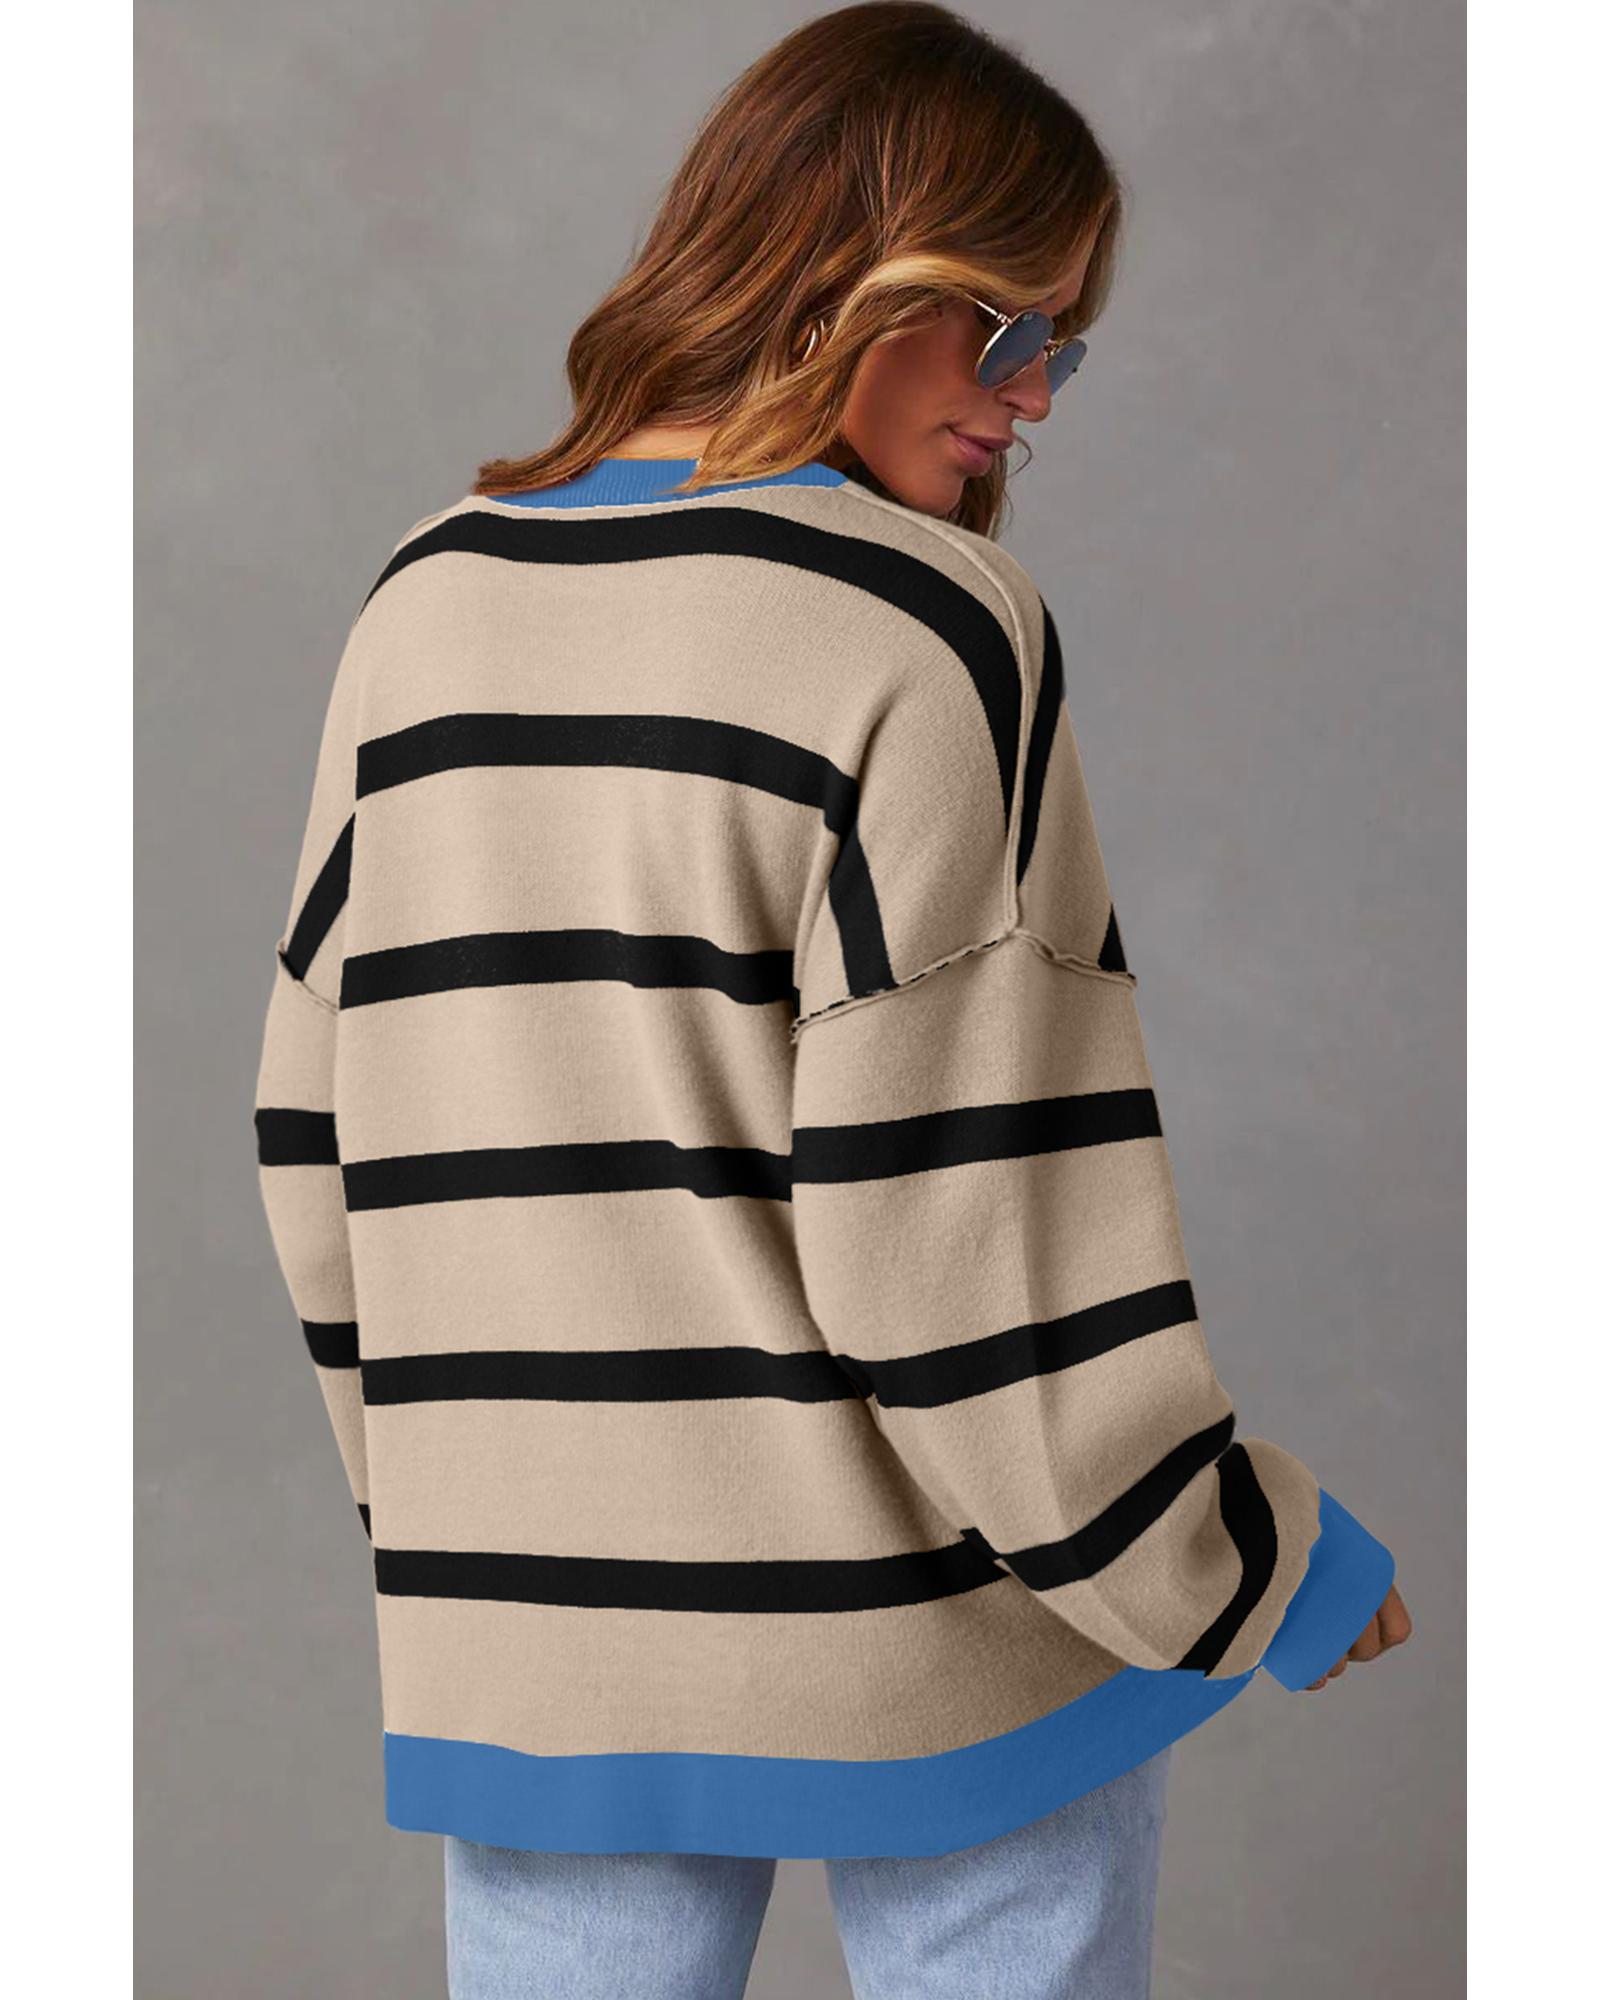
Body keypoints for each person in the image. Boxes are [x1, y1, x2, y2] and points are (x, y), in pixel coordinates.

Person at [252, 5, 1411, 1995]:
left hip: (537, 1642)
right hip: (935, 1619)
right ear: (853, 268)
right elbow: (962, 1227)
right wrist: (1244, 1559)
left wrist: (468, 1521)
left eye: (1066, 349)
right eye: (1010, 328)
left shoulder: (422, 603)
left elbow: (314, 1139)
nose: (1031, 399)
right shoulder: (927, 625)